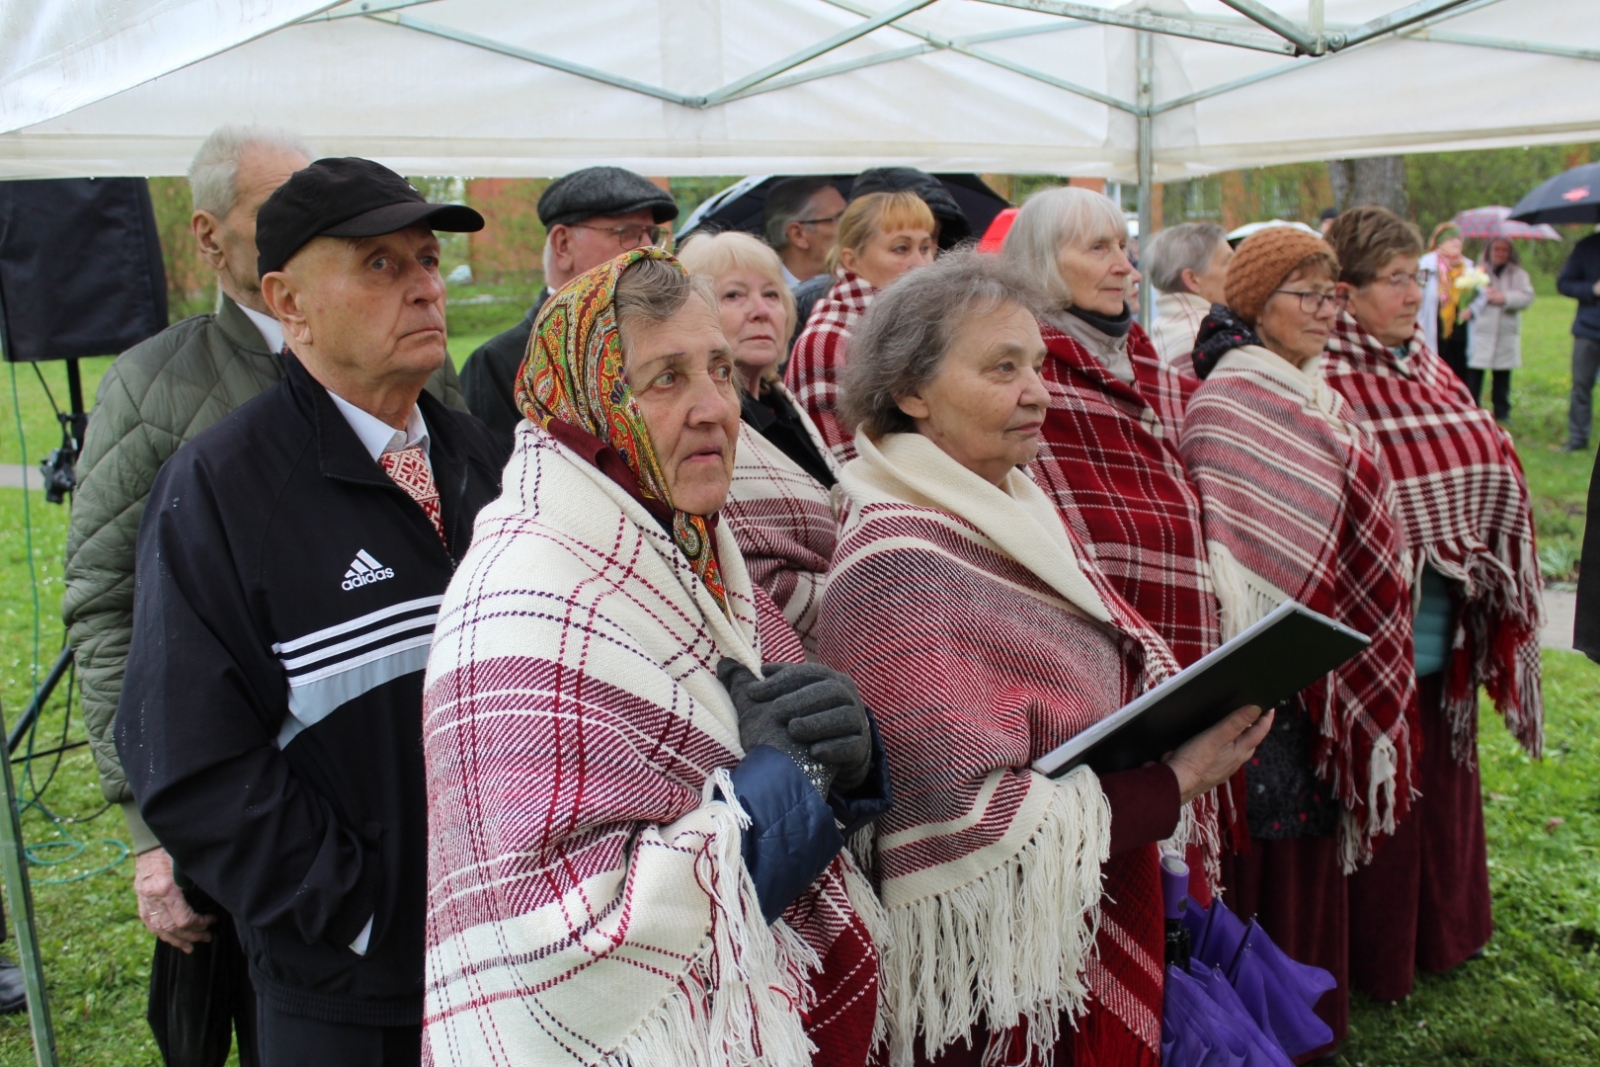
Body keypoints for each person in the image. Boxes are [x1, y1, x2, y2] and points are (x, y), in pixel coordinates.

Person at [420, 248, 891, 1066]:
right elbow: (567, 950)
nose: (716, 406)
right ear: (589, 403)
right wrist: (787, 780)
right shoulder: (526, 599)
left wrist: (847, 760)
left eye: (718, 367)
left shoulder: (688, 547)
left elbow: (774, 777)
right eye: (666, 377)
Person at [62, 125, 464, 1067]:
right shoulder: (215, 484)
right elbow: (191, 753)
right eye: (379, 262)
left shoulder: (490, 464)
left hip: (507, 956)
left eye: (428, 257)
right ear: (290, 303)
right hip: (349, 993)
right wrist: (359, 911)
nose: (425, 284)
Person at [819, 250, 1271, 1066]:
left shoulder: (1012, 504)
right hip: (998, 996)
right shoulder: (896, 563)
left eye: (1037, 364)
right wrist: (1170, 784)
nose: (1038, 390)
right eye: (1002, 368)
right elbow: (962, 825)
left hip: (1070, 916)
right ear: (911, 392)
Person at [1179, 227, 1421, 1056]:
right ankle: (1266, 1017)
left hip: (1324, 660)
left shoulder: (1317, 388)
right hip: (1264, 665)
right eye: (1306, 295)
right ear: (1254, 302)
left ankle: (1309, 1010)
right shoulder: (1225, 399)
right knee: (1269, 844)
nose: (1326, 312)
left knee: (1309, 832)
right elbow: (1235, 540)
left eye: (1332, 296)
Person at [1324, 205, 1543, 1005]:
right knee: (1387, 779)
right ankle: (1381, 948)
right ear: (1343, 292)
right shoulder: (1328, 376)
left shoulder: (1427, 363)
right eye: (1392, 280)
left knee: (1440, 774)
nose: (1409, 294)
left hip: (1445, 612)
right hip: (1370, 627)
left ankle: (1440, 931)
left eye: (1415, 277)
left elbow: (1477, 448)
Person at [678, 231, 840, 651]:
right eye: (734, 296)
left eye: (772, 294)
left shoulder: (781, 404)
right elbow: (754, 577)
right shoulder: (704, 423)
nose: (760, 311)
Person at [458, 165, 678, 449]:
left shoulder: (661, 341)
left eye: (652, 234)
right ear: (563, 245)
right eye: (630, 233)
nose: (649, 249)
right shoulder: (498, 363)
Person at [786, 191, 936, 464]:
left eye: (925, 248)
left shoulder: (922, 328)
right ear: (851, 260)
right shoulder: (826, 340)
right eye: (901, 248)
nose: (920, 263)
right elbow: (846, 467)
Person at [1465, 236, 1535, 422]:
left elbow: (1527, 297)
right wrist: (1481, 297)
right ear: (1489, 251)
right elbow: (1465, 295)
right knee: (1474, 372)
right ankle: (1472, 409)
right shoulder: (1477, 272)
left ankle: (1502, 412)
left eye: (1504, 250)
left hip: (1505, 330)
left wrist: (1504, 298)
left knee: (1502, 375)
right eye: (1496, 249)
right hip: (1481, 329)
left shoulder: (1519, 274)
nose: (1500, 254)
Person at [1142, 222, 1232, 366]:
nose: (1238, 268)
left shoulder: (1165, 327)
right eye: (1227, 262)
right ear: (1192, 279)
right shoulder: (1205, 338)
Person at [1555, 225, 1600, 452]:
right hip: (1588, 328)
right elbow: (1564, 283)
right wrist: (1592, 289)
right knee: (1582, 384)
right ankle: (1579, 438)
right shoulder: (1586, 247)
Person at [762, 176, 847, 288]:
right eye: (839, 218)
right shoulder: (762, 293)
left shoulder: (862, 281)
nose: (853, 226)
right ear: (798, 235)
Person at [1417, 223, 1474, 380]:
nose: (1456, 242)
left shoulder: (1468, 267)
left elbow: (1479, 296)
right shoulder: (1427, 264)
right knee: (1437, 367)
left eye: (1458, 239)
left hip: (1460, 327)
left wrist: (1472, 308)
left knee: (1460, 369)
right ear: (1440, 242)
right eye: (1451, 239)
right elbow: (1419, 293)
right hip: (1434, 323)